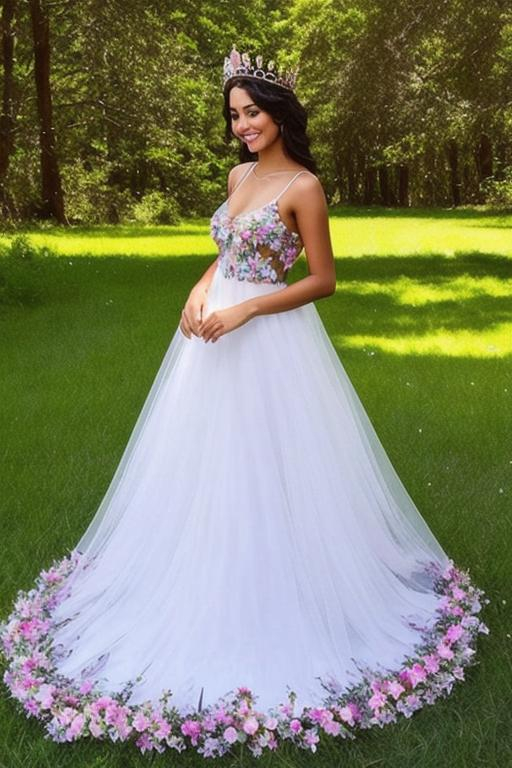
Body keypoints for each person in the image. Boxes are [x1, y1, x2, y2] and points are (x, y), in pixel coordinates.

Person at [0, 46, 488, 759]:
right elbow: (226, 248)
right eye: (233, 116)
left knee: (273, 456)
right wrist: (201, 288)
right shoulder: (236, 174)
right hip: (213, 333)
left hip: (269, 338)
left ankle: (283, 576)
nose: (242, 126)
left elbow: (323, 280)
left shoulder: (304, 187)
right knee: (201, 460)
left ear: (278, 111)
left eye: (251, 112)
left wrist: (248, 310)